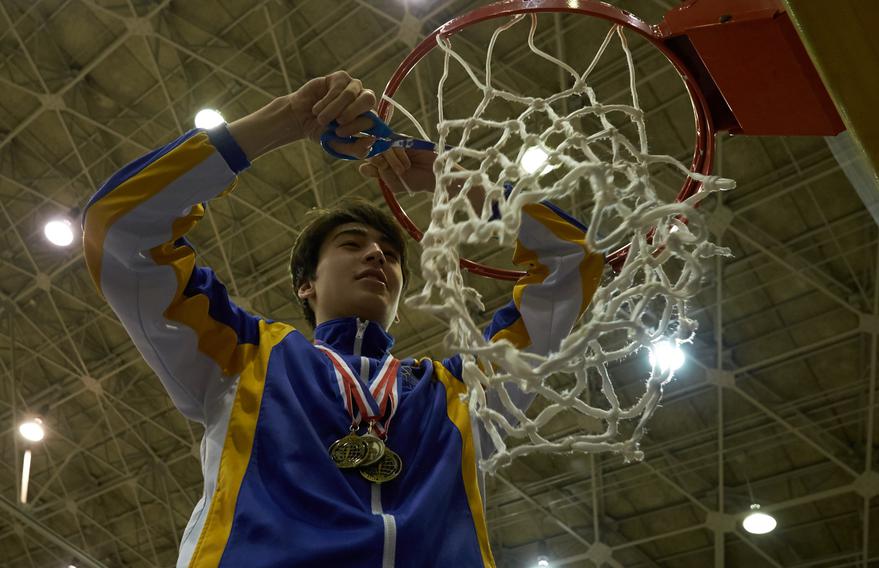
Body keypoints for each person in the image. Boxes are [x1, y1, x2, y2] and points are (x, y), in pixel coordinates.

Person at [83, 70, 604, 567]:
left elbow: (574, 259)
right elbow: (123, 228)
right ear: (305, 284)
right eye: (352, 245)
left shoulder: (464, 392)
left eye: (391, 254)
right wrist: (285, 119)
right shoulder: (242, 358)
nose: (377, 256)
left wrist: (458, 180)